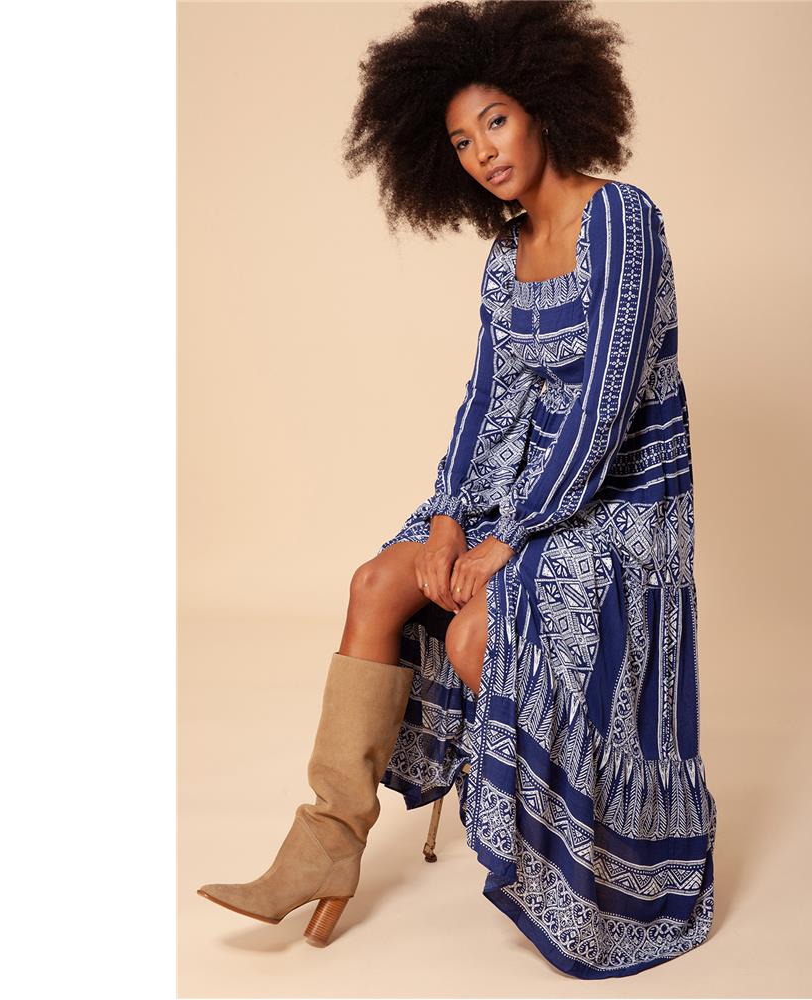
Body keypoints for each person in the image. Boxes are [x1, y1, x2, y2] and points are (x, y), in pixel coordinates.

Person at [198, 0, 717, 979]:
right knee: (376, 584)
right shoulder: (504, 255)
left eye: (496, 121)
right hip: (517, 496)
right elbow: (486, 403)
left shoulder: (621, 220)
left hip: (622, 505)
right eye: (460, 141)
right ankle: (326, 843)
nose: (482, 152)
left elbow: (604, 409)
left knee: (482, 630)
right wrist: (447, 521)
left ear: (544, 106)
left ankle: (560, 853)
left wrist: (506, 540)